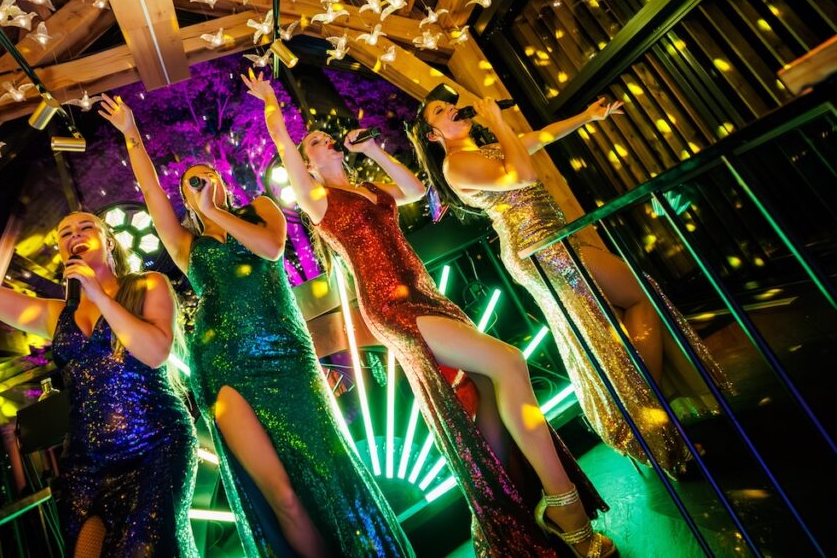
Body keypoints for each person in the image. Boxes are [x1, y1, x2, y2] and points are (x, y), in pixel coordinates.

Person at [250, 69, 614, 558]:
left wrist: (373, 150)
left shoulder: (373, 188)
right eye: (313, 143)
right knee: (508, 361)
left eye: (324, 136)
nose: (325, 140)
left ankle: (514, 504)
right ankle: (562, 504)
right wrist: (271, 102)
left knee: (487, 388)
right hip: (391, 307)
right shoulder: (319, 200)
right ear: (308, 167)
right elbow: (284, 145)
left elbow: (416, 190)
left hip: (426, 295)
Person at [99, 94, 412, 557]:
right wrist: (130, 132)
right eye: (191, 184)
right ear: (184, 200)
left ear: (223, 184)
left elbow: (270, 249)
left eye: (208, 177)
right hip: (223, 366)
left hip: (286, 355)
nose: (202, 184)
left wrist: (215, 211)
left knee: (325, 466)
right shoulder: (186, 245)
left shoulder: (262, 209)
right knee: (280, 495)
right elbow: (149, 191)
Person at [409, 86, 732, 474]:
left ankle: (646, 405)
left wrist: (588, 116)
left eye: (450, 104)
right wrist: (497, 121)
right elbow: (522, 174)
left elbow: (542, 137)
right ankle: (646, 409)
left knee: (620, 320)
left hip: (558, 239)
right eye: (440, 111)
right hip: (539, 251)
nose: (452, 109)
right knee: (621, 315)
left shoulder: (490, 148)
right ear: (433, 135)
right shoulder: (456, 165)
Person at [0, 199, 198, 557]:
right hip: (87, 461)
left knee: (144, 549)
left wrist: (97, 293)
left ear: (109, 241)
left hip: (154, 445)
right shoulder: (56, 315)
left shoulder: (147, 285)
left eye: (85, 227)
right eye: (65, 233)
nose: (74, 235)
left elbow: (155, 352)